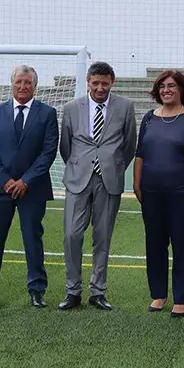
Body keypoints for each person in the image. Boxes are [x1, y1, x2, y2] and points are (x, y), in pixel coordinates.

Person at [0, 65, 59, 308]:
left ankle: (37, 290)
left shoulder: (47, 113)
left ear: (35, 86)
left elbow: (48, 151)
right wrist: (5, 180)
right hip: (1, 188)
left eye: (28, 83)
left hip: (33, 189)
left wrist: (25, 181)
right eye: (19, 82)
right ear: (12, 84)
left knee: (33, 238)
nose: (23, 87)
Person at [57, 61, 137, 311]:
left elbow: (129, 144)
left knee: (102, 237)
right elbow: (65, 146)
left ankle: (98, 291)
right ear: (88, 83)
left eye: (105, 83)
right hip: (78, 178)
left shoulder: (125, 107)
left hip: (109, 179)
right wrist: (80, 165)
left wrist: (112, 166)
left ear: (112, 82)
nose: (100, 87)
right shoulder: (71, 108)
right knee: (72, 234)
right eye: (96, 83)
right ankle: (73, 291)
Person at [132, 70, 184, 318]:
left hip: (182, 191)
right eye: (162, 86)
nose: (166, 90)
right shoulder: (148, 119)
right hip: (151, 191)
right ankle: (158, 294)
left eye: (172, 85)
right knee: (155, 243)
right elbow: (140, 153)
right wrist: (136, 183)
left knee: (183, 243)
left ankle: (181, 298)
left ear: (182, 89)